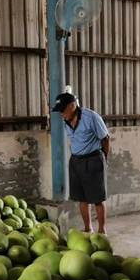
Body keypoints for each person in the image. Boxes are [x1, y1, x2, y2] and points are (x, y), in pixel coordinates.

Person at [53, 93, 110, 234]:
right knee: (82, 198)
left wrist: (104, 159)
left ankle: (102, 231)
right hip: (76, 161)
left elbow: (105, 138)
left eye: (62, 109)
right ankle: (87, 228)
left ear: (72, 106)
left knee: (97, 198)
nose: (61, 113)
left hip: (93, 160)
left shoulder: (91, 117)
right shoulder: (66, 120)